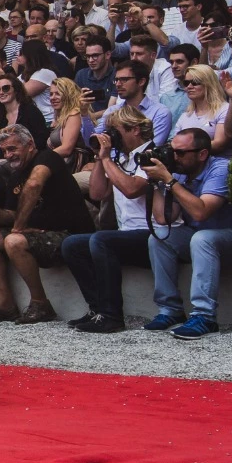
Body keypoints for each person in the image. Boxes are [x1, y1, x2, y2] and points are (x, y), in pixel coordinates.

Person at [0, 124, 95, 324]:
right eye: (4, 151)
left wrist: (18, 228)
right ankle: (5, 304)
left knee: (14, 241)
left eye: (12, 149)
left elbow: (35, 183)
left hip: (69, 234)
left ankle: (40, 304)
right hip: (40, 235)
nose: (8, 155)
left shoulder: (47, 157)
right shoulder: (15, 176)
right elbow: (9, 216)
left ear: (30, 145)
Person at [59, 107, 157, 334]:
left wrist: (106, 158)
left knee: (101, 240)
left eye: (116, 131)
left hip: (152, 234)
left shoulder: (152, 154)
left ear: (134, 130)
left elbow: (132, 189)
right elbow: (97, 193)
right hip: (126, 234)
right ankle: (97, 310)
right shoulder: (121, 157)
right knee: (72, 245)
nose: (111, 136)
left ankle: (112, 315)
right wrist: (100, 158)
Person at [139, 127, 232, 340]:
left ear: (202, 154)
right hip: (199, 238)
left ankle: (204, 317)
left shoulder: (221, 168)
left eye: (181, 153)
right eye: (172, 150)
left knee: (202, 239)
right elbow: (163, 218)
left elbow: (201, 212)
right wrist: (159, 182)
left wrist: (170, 180)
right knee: (159, 237)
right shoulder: (177, 173)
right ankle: (170, 310)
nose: (174, 157)